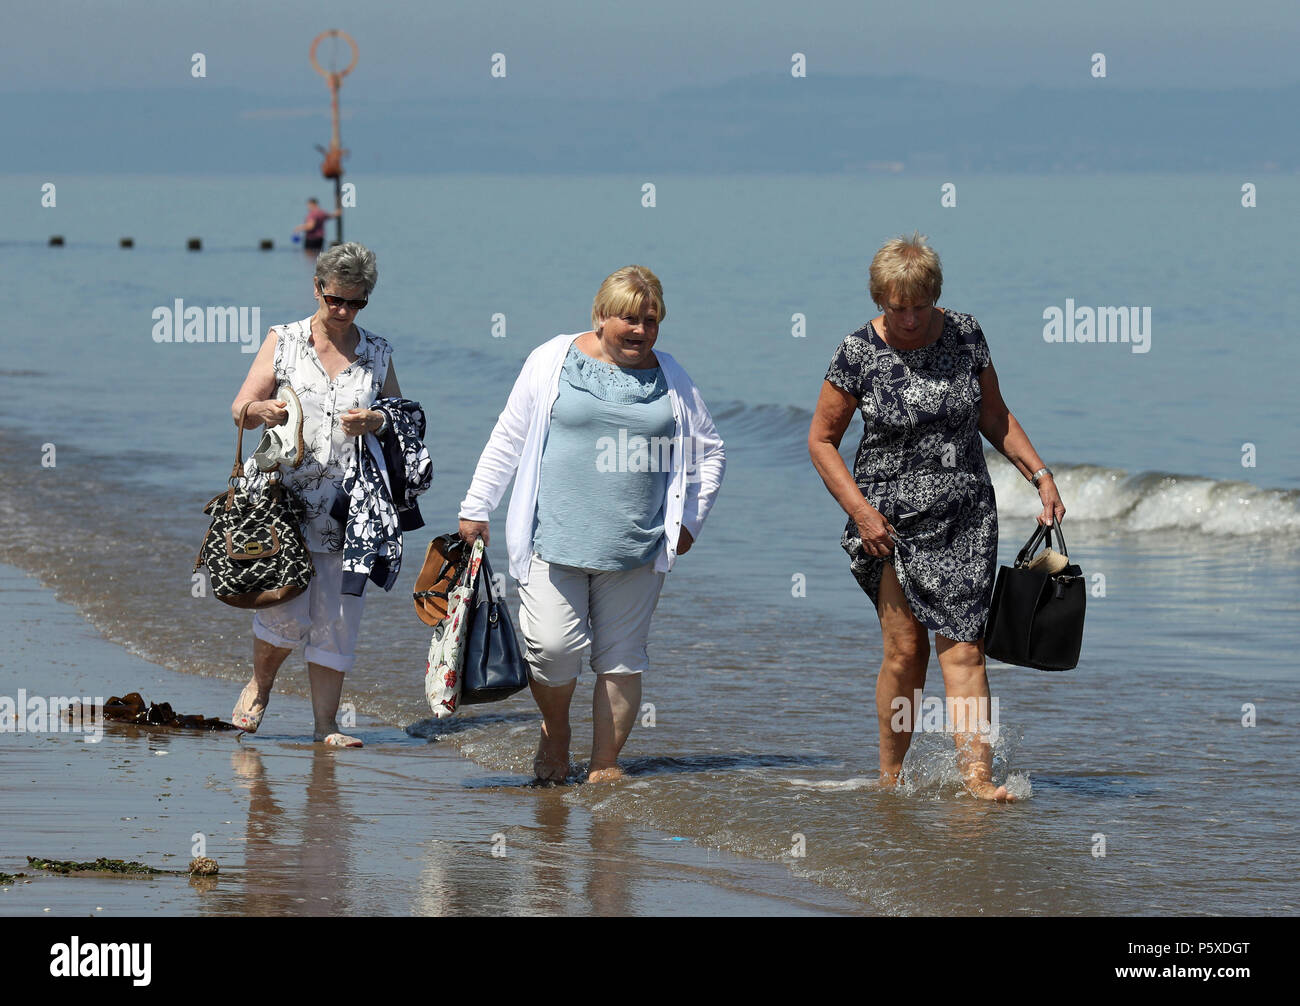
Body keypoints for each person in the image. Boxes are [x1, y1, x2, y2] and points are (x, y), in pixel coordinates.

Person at [808, 233, 1066, 801]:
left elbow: (994, 415)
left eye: (919, 306)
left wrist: (1040, 476)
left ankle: (978, 779)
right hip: (889, 520)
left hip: (965, 513)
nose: (907, 318)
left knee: (966, 646)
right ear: (880, 300)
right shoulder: (857, 352)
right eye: (895, 307)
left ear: (935, 296)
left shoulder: (966, 334)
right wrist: (861, 512)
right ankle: (891, 777)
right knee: (906, 652)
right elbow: (822, 440)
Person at [458, 265, 726, 783]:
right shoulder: (551, 359)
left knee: (622, 661)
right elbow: (510, 436)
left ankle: (605, 765)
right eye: (628, 318)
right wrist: (477, 505)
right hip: (550, 539)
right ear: (601, 316)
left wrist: (690, 521)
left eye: (650, 321)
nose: (640, 330)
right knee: (553, 650)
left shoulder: (671, 376)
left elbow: (708, 452)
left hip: (636, 545)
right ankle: (556, 732)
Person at [229, 242, 408, 747]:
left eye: (356, 302)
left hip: (352, 507)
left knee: (337, 618)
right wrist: (261, 411)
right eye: (336, 300)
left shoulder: (377, 351)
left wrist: (376, 419)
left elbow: (402, 419)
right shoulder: (283, 341)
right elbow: (239, 406)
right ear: (317, 289)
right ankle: (261, 686)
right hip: (283, 502)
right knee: (284, 610)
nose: (344, 311)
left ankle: (325, 726)